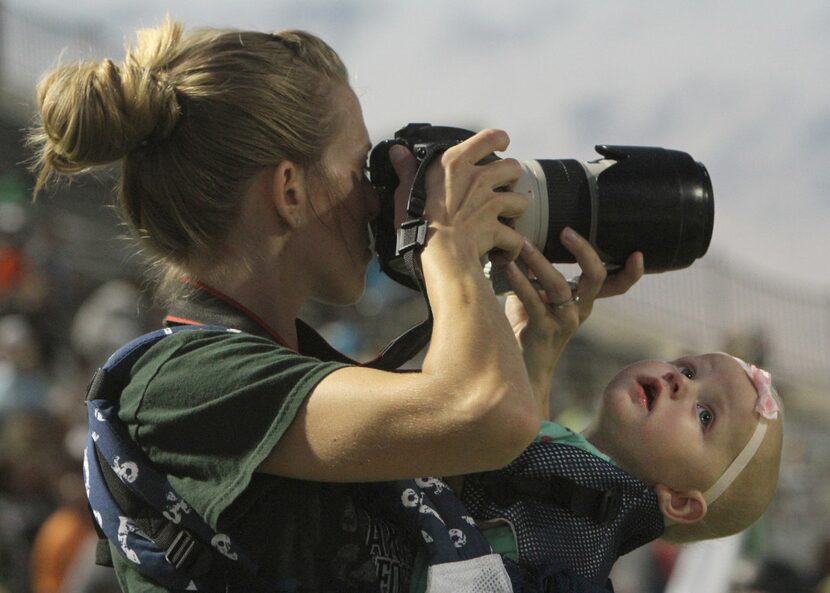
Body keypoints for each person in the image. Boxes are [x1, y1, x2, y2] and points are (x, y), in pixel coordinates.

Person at [27, 18, 643, 593]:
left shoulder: (280, 369)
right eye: (360, 167)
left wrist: (530, 347)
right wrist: (448, 241)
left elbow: (486, 487)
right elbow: (484, 419)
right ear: (291, 192)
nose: (378, 200)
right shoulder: (181, 386)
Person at [420, 352, 783, 593]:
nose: (680, 381)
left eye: (705, 415)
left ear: (681, 501)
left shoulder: (575, 519)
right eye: (689, 369)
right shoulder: (569, 477)